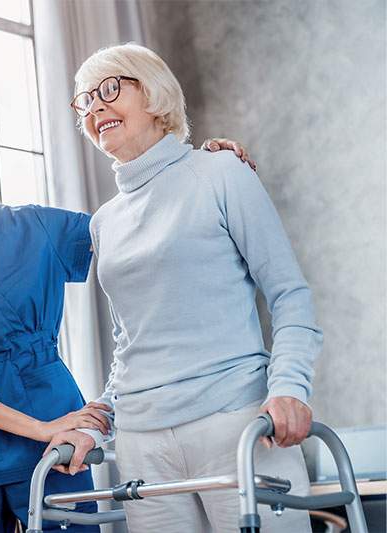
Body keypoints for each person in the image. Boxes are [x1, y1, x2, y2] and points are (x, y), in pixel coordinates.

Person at [0, 92, 250, 531]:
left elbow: (143, 228)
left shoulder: (41, 228)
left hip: (60, 436)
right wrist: (38, 429)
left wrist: (200, 171)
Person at [45, 43, 321, 533]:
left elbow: (288, 294)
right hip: (141, 443)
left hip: (237, 424)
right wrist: (101, 413)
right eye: (85, 100)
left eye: (110, 89)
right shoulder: (103, 223)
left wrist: (289, 388)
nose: (96, 107)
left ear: (154, 94)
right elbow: (132, 341)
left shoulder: (220, 172)